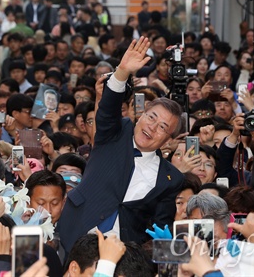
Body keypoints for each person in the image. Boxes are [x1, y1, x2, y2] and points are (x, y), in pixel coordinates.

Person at [60, 37, 184, 252]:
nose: (153, 128)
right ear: (141, 114)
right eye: (151, 117)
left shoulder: (171, 179)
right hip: (77, 232)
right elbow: (107, 110)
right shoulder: (116, 133)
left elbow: (159, 225)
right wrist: (122, 72)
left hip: (123, 253)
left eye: (163, 127)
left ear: (169, 139)